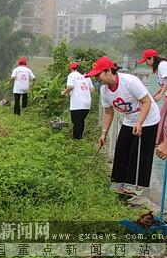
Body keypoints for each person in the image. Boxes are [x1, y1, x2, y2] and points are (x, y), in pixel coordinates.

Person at [87, 56, 160, 191]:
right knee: (121, 150)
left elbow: (147, 102)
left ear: (109, 71)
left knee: (139, 155)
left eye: (98, 75)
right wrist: (104, 133)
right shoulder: (105, 90)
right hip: (130, 119)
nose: (97, 78)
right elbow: (109, 112)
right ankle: (117, 186)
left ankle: (136, 190)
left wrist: (140, 122)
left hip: (148, 119)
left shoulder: (129, 81)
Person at [137, 49, 167, 159]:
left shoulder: (162, 65)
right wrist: (159, 91)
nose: (147, 63)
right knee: (162, 117)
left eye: (147, 60)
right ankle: (159, 141)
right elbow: (164, 83)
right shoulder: (160, 67)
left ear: (152, 58)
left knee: (164, 122)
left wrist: (161, 93)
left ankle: (162, 143)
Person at [61, 62, 94, 139]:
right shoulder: (86, 75)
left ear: (72, 69)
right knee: (81, 120)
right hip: (87, 103)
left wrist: (64, 92)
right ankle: (80, 137)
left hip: (77, 103)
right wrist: (85, 94)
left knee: (76, 122)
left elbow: (70, 87)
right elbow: (92, 89)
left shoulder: (72, 75)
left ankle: (77, 139)